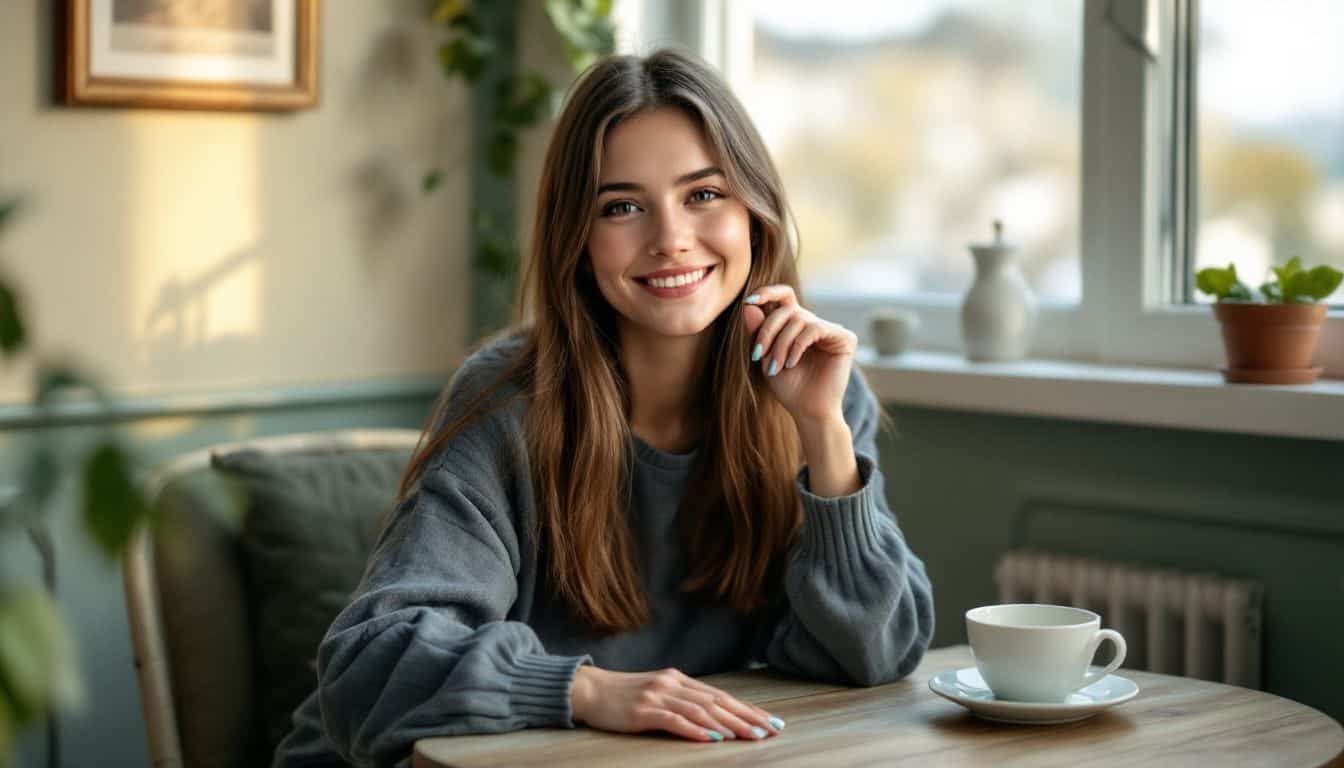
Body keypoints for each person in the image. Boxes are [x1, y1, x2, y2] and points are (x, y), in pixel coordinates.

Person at [274, 48, 934, 767]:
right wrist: (585, 691)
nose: (671, 238)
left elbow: (875, 652)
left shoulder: (815, 393)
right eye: (622, 207)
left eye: (704, 194)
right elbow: (369, 668)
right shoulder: (508, 404)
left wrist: (822, 434)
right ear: (577, 241)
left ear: (755, 213)